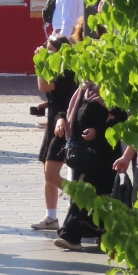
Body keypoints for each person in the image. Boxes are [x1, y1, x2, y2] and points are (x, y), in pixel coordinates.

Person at [55, 79, 124, 251]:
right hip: (82, 152)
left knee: (87, 192)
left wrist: (97, 130)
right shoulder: (83, 89)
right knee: (96, 195)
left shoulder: (112, 89)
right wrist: (61, 119)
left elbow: (121, 118)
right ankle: (104, 234)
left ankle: (70, 234)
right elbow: (68, 109)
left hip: (103, 153)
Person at [33, 36, 76, 231]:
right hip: (54, 122)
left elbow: (44, 86)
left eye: (50, 50)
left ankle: (83, 199)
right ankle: (51, 217)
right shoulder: (56, 68)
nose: (47, 52)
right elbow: (58, 95)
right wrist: (46, 103)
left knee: (51, 174)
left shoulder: (66, 70)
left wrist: (39, 62)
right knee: (47, 170)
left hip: (63, 124)